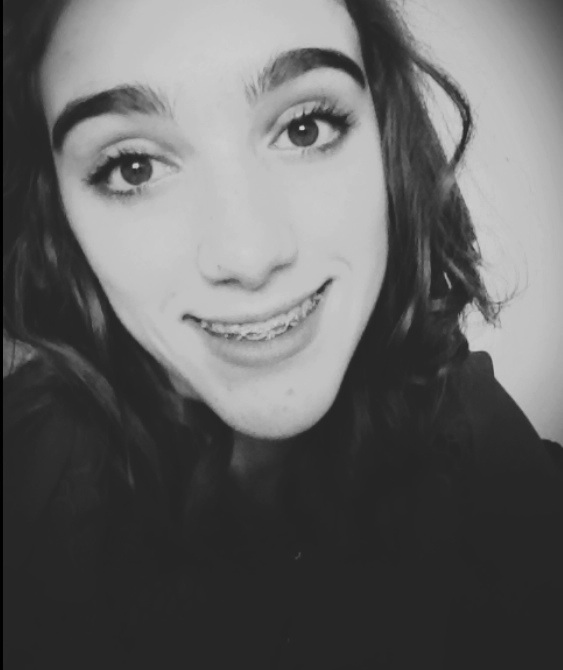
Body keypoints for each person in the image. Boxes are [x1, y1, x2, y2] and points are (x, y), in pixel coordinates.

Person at [3, 0, 562, 668]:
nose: (249, 255)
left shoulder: (490, 467)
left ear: (385, 142)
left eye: (304, 128)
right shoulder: (25, 494)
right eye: (134, 168)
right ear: (57, 211)